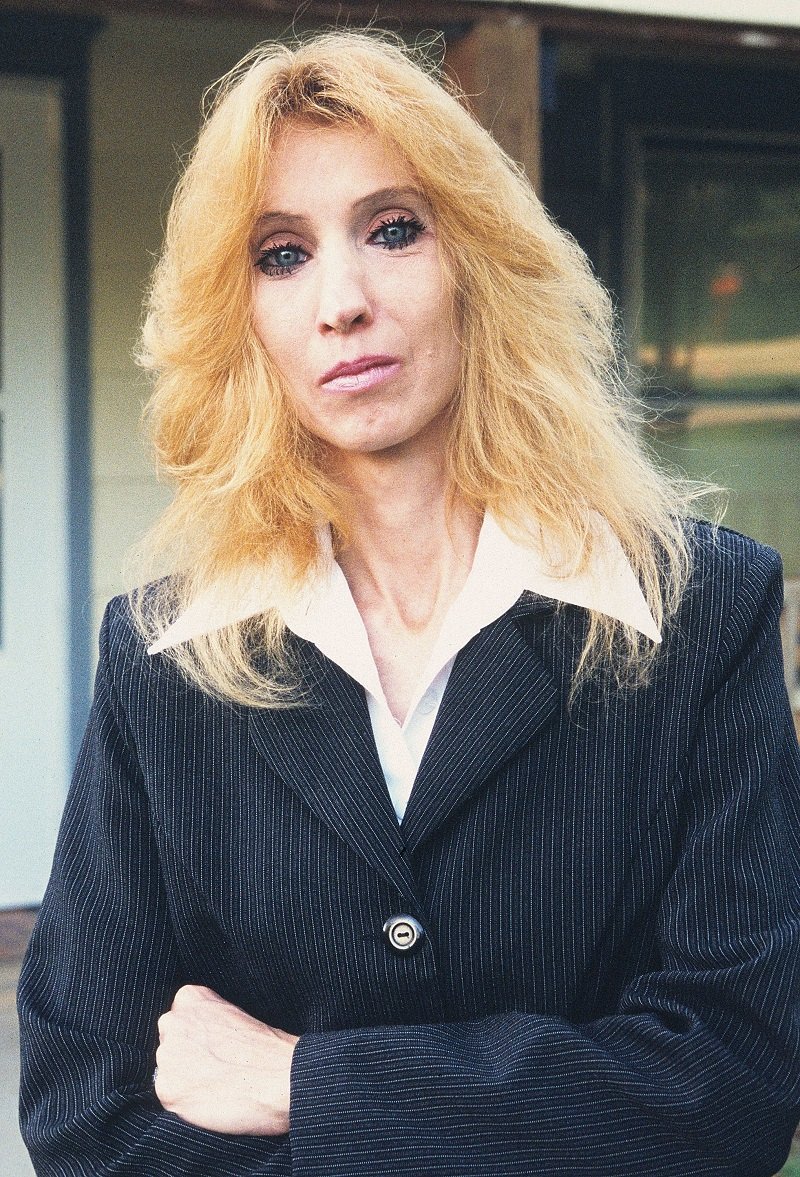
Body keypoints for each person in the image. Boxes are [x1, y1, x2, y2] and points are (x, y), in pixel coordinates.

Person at [18, 29, 800, 1177]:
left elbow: (727, 1087)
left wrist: (302, 1082)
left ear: (476, 261)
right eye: (279, 255)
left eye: (393, 230)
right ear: (236, 320)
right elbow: (89, 1115)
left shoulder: (699, 616)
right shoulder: (162, 657)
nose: (341, 300)